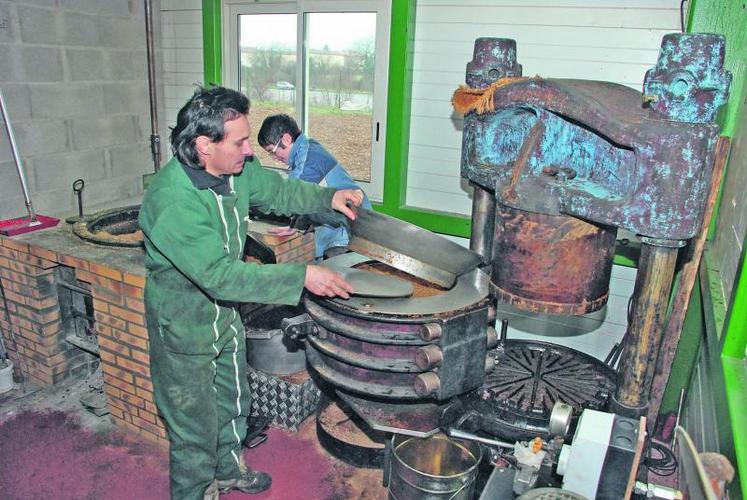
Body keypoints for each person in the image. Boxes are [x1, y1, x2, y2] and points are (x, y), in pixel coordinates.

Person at [138, 86, 362, 500]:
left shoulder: (236, 171)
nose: (248, 150)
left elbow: (280, 193)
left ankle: (227, 470)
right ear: (205, 145)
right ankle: (194, 490)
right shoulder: (172, 201)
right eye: (240, 142)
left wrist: (330, 196)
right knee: (194, 428)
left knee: (233, 401)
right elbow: (219, 276)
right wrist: (301, 276)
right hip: (184, 325)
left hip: (224, 316)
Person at [257, 114, 372, 259]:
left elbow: (295, 196)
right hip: (336, 223)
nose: (274, 158)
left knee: (339, 271)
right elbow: (307, 197)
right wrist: (296, 226)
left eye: (272, 151)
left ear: (286, 139)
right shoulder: (307, 148)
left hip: (351, 227)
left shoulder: (310, 161)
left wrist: (295, 223)